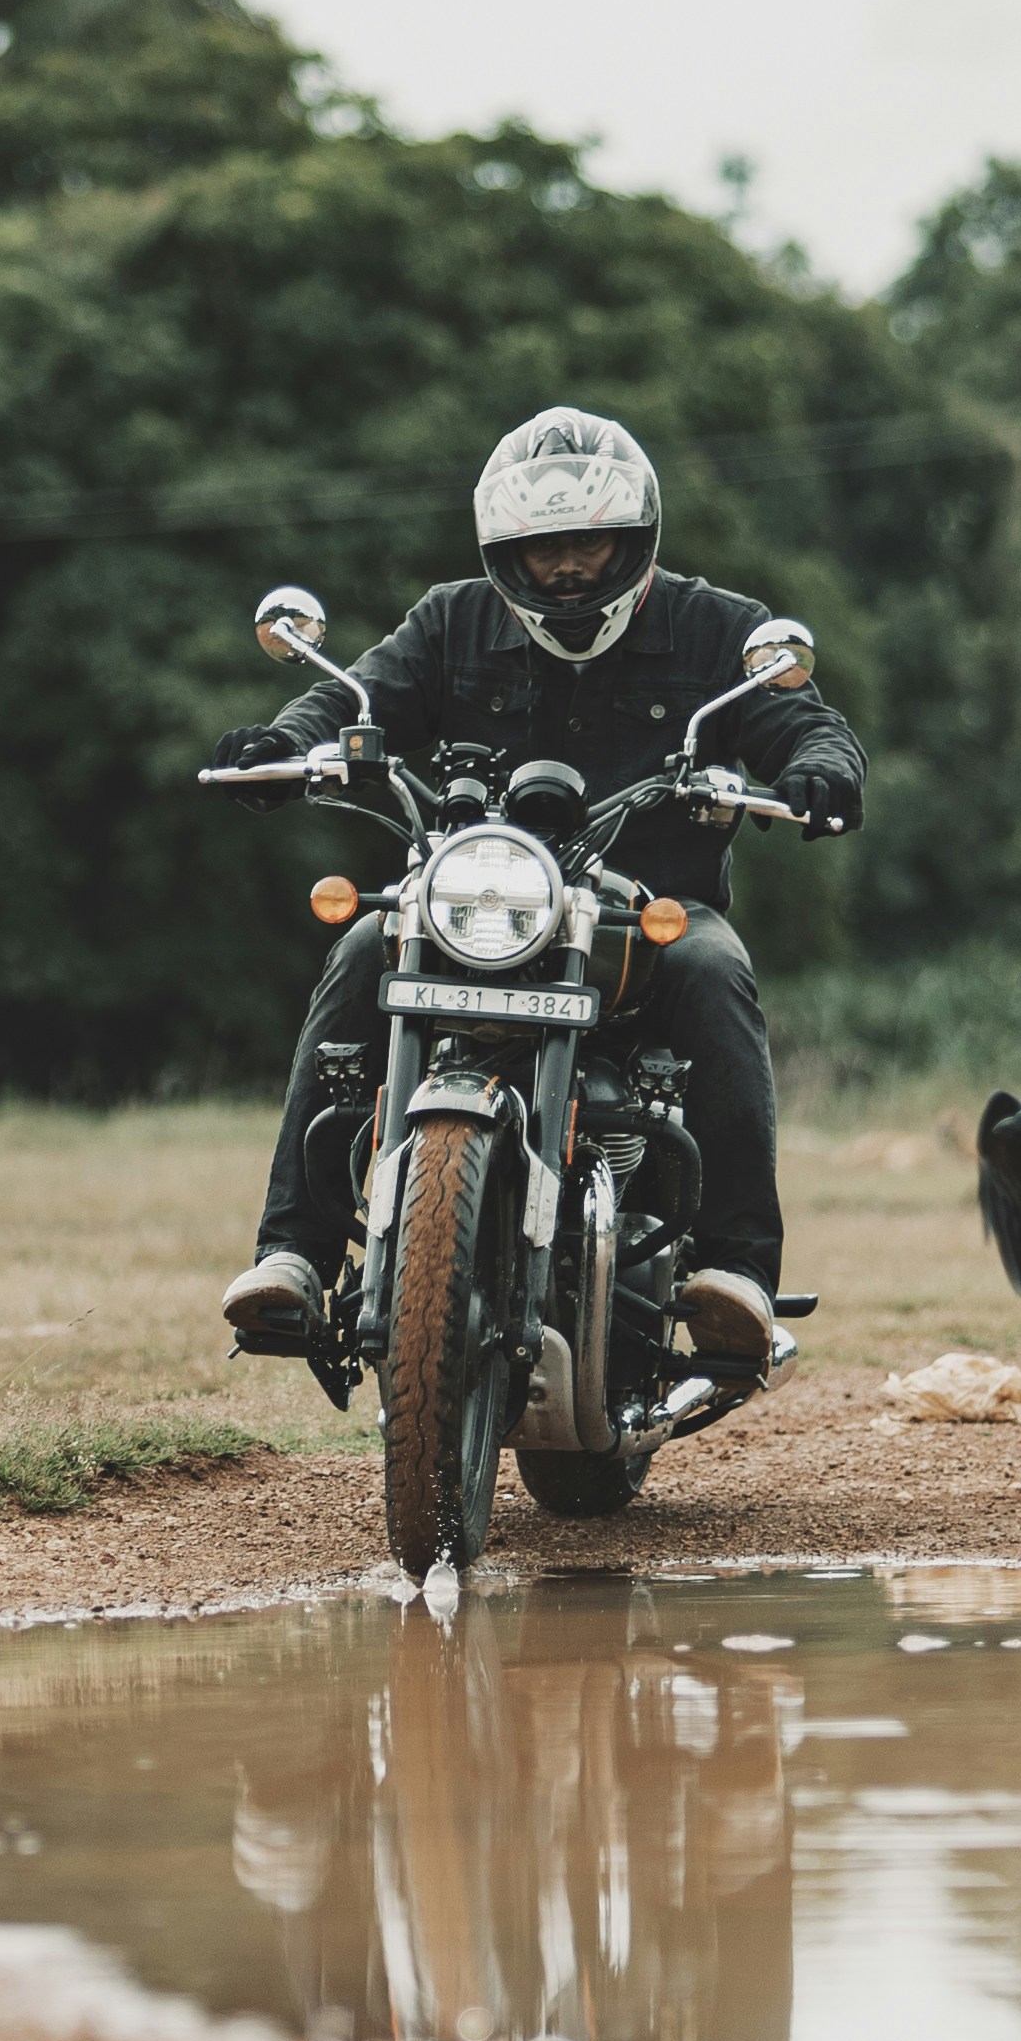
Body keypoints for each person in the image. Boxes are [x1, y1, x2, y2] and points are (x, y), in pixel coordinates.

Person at [210, 407, 863, 1361]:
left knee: (718, 970)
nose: (566, 568)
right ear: (503, 551)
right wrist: (285, 745)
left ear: (631, 539)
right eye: (542, 547)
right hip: (476, 901)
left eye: (587, 543)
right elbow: (357, 696)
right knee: (360, 944)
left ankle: (735, 1272)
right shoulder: (452, 620)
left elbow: (802, 720)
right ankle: (294, 1257)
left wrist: (820, 771)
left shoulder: (718, 628)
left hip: (645, 920)